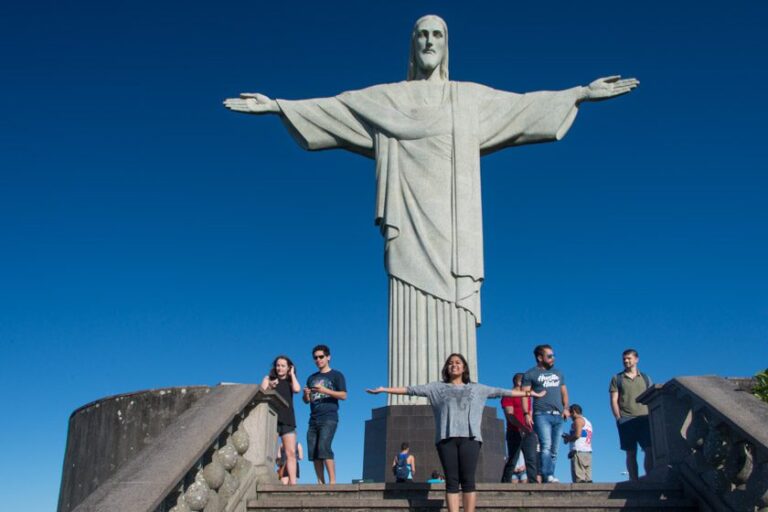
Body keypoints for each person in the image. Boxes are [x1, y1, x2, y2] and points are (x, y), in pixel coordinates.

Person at [224, 15, 639, 404]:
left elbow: (524, 107)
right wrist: (278, 106)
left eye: (437, 34)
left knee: (456, 296)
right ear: (411, 45)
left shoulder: (468, 98)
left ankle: (456, 394)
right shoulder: (387, 98)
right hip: (406, 215)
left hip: (455, 222)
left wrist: (580, 93)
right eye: (421, 34)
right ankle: (407, 397)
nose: (429, 42)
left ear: (446, 45)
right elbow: (336, 108)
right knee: (405, 286)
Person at [367, 353, 545, 512]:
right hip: (446, 439)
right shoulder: (436, 388)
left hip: (470, 438)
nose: (454, 365)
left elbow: (502, 391)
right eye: (451, 363)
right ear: (447, 368)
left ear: (464, 367)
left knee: (468, 480)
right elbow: (411, 390)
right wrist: (384, 390)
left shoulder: (477, 388)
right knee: (452, 481)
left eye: (458, 362)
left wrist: (530, 394)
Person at [522, 344, 569, 483]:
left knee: (555, 449)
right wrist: (526, 413)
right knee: (546, 445)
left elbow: (564, 392)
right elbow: (525, 394)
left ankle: (550, 475)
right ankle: (546, 474)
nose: (553, 358)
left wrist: (566, 408)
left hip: (558, 415)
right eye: (549, 356)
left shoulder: (558, 373)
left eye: (553, 355)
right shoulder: (530, 374)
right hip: (541, 414)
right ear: (540, 357)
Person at [303, 344, 347, 484]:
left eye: (321, 357)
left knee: (324, 447)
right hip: (313, 419)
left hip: (329, 417)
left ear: (328, 357)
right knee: (313, 451)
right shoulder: (311, 378)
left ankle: (332, 483)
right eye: (315, 358)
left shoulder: (337, 375)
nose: (318, 360)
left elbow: (343, 395)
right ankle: (320, 483)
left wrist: (324, 390)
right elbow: (307, 401)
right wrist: (306, 395)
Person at [610, 348, 653, 481]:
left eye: (629, 358)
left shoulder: (645, 378)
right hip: (626, 419)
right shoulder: (617, 378)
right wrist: (618, 417)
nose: (626, 361)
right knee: (631, 452)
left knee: (649, 450)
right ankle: (634, 481)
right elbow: (614, 400)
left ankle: (650, 479)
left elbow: (652, 397)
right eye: (624, 359)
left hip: (645, 418)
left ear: (636, 359)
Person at [261, 355, 300, 485]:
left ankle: (293, 484)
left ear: (288, 367)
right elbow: (260, 395)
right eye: (278, 365)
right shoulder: (268, 379)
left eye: (283, 366)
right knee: (269, 453)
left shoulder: (290, 381)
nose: (280, 368)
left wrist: (292, 374)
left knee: (291, 453)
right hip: (272, 419)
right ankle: (268, 481)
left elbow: (297, 389)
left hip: (287, 419)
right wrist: (270, 387)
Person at [501, 372, 540, 483]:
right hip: (514, 432)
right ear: (519, 382)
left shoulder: (526, 397)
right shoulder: (508, 395)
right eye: (527, 383)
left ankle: (533, 484)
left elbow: (529, 413)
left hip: (529, 432)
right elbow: (510, 415)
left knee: (531, 459)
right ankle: (505, 483)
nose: (529, 386)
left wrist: (531, 429)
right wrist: (521, 427)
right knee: (513, 459)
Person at [563, 404, 592, 483]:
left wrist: (568, 439)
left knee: (579, 480)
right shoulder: (587, 422)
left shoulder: (578, 420)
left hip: (579, 452)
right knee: (588, 480)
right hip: (587, 452)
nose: (569, 416)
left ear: (574, 412)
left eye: (570, 413)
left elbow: (577, 435)